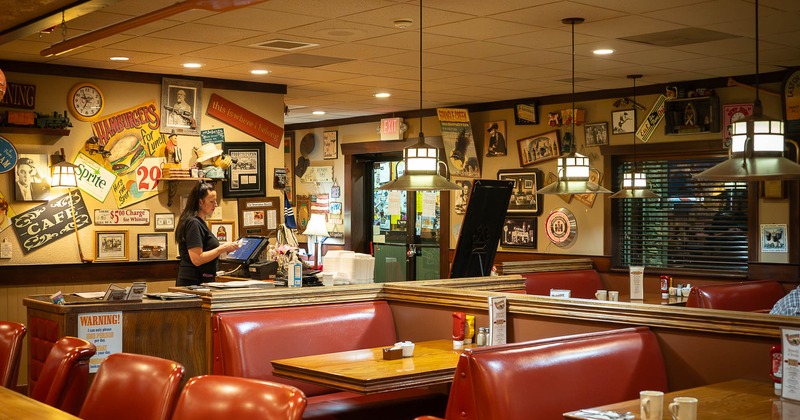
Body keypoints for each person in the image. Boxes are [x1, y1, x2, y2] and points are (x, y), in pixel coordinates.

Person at [175, 182, 240, 286]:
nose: (216, 205)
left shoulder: (198, 222)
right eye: (212, 201)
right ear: (200, 202)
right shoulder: (194, 223)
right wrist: (222, 248)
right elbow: (197, 259)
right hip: (193, 282)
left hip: (201, 280)